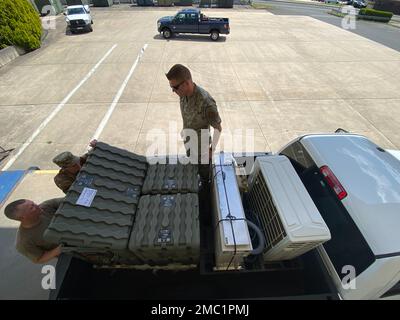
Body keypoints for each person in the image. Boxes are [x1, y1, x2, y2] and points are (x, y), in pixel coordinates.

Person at [166, 64, 222, 184]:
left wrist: (212, 150)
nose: (173, 91)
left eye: (175, 87)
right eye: (171, 87)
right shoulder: (183, 94)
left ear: (186, 83)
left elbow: (218, 128)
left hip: (203, 153)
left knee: (204, 180)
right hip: (190, 145)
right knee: (192, 173)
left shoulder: (206, 103)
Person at [3, 198, 64, 263]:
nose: (37, 205)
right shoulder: (24, 242)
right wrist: (58, 250)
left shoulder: (46, 206)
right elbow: (39, 259)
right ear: (23, 217)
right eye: (31, 208)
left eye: (33, 203)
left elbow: (69, 199)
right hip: (70, 250)